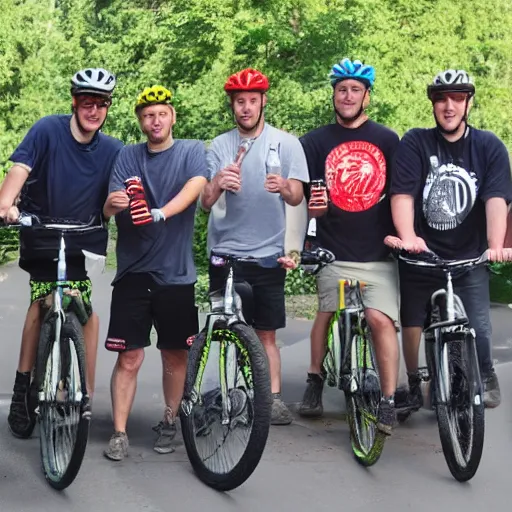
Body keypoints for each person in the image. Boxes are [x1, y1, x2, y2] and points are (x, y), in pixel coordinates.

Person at [0, 68, 122, 439]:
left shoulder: (114, 149)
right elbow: (20, 167)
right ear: (74, 101)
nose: (94, 110)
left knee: (87, 314)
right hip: (42, 232)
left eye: (101, 104)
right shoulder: (47, 130)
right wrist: (6, 204)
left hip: (85, 238)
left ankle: (82, 395)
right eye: (87, 102)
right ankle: (25, 390)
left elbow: (111, 202)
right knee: (41, 304)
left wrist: (113, 209)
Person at [389, 69, 512, 411]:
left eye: (457, 98)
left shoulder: (488, 146)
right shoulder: (416, 142)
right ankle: (414, 381)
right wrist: (409, 237)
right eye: (442, 99)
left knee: (480, 327)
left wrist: (496, 244)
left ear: (468, 103)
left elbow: (496, 200)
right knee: (412, 319)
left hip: (468, 256)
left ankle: (485, 374)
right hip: (422, 254)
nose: (449, 106)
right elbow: (402, 195)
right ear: (432, 104)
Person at [102, 85, 208, 460]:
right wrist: (113, 205)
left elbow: (196, 185)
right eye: (148, 115)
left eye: (162, 113)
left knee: (174, 356)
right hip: (133, 273)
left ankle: (169, 420)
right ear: (140, 121)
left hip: (177, 275)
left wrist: (162, 211)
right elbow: (113, 204)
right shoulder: (128, 156)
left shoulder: (192, 151)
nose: (155, 120)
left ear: (173, 116)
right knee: (129, 356)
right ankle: (118, 432)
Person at [200, 68, 310, 425]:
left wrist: (283, 186)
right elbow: (205, 202)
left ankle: (272, 398)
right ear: (232, 105)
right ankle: (231, 392)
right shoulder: (220, 145)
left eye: (252, 100)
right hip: (226, 252)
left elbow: (298, 196)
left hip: (268, 253)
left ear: (264, 101)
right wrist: (219, 181)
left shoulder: (287, 144)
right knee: (226, 327)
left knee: (265, 333)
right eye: (239, 102)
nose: (245, 108)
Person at [297, 58, 401, 435]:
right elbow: (299, 197)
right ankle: (314, 379)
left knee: (379, 319)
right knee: (327, 311)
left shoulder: (389, 140)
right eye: (342, 89)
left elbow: (403, 192)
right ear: (333, 95)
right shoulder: (313, 142)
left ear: (366, 97)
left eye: (356, 89)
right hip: (333, 250)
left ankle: (388, 400)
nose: (348, 95)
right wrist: (309, 220)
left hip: (377, 253)